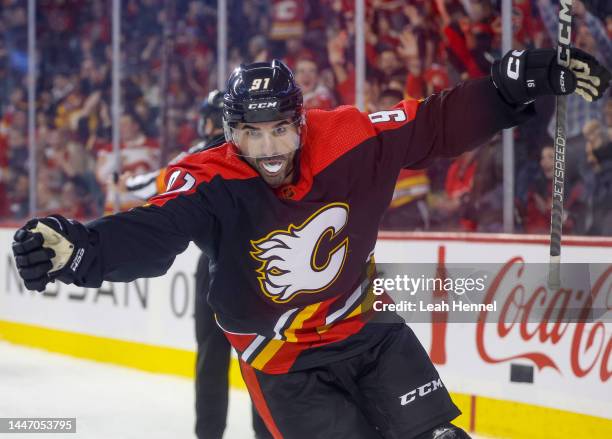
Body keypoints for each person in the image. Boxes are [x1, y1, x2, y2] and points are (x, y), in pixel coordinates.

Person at [12, 50, 611, 438]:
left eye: (280, 128)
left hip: (368, 335)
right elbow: (155, 231)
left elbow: (435, 124)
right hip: (285, 365)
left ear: (301, 121)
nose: (269, 147)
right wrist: (84, 249)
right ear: (230, 134)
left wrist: (505, 90)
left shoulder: (349, 137)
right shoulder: (209, 178)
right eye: (251, 132)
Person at [119, 90, 271, 439]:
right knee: (262, 358)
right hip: (264, 265)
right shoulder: (262, 149)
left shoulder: (202, 154)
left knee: (211, 358)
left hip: (217, 263)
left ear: (208, 121)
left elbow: (155, 182)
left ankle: (208, 434)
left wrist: (125, 182)